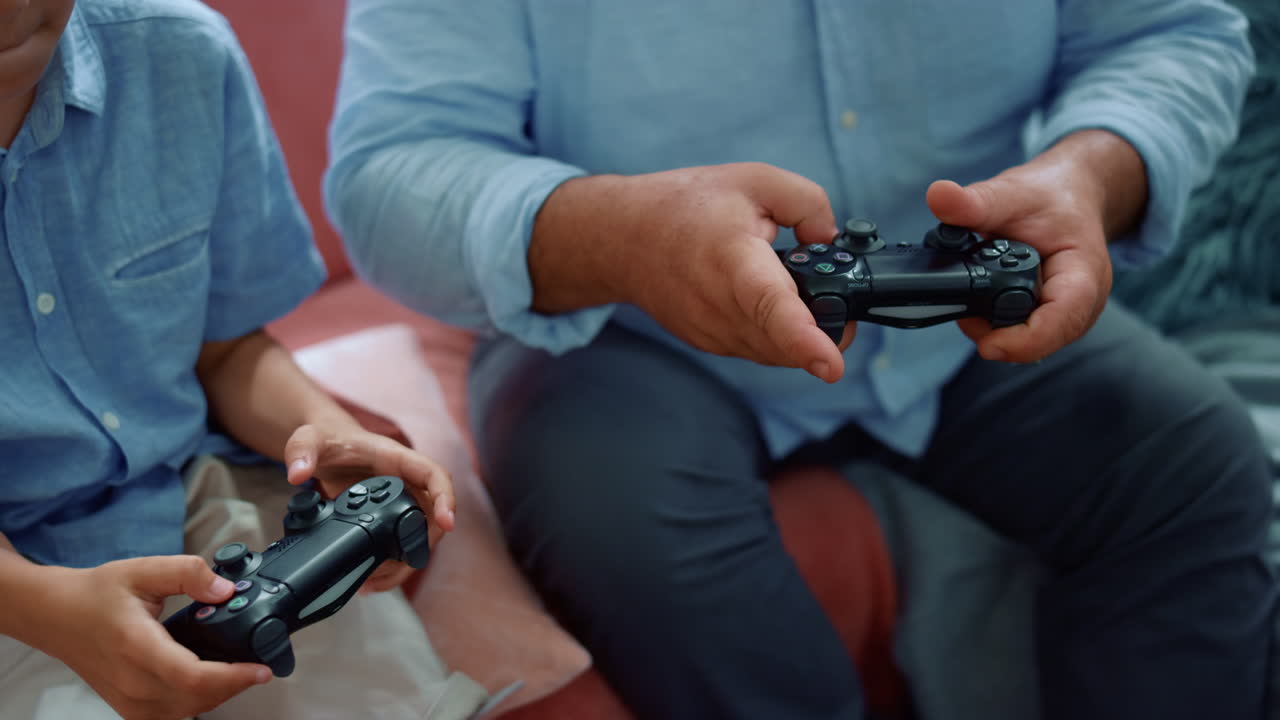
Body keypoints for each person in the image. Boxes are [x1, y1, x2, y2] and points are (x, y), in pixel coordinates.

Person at [325, 2, 1274, 719]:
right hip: (621, 325)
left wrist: (1087, 176)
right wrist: (620, 237)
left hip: (956, 303)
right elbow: (389, 166)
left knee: (1195, 468)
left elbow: (1174, 32)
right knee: (634, 533)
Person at [0, 1, 474, 718]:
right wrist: (44, 609)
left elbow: (223, 353)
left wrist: (325, 429)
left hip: (196, 503)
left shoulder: (180, 53)